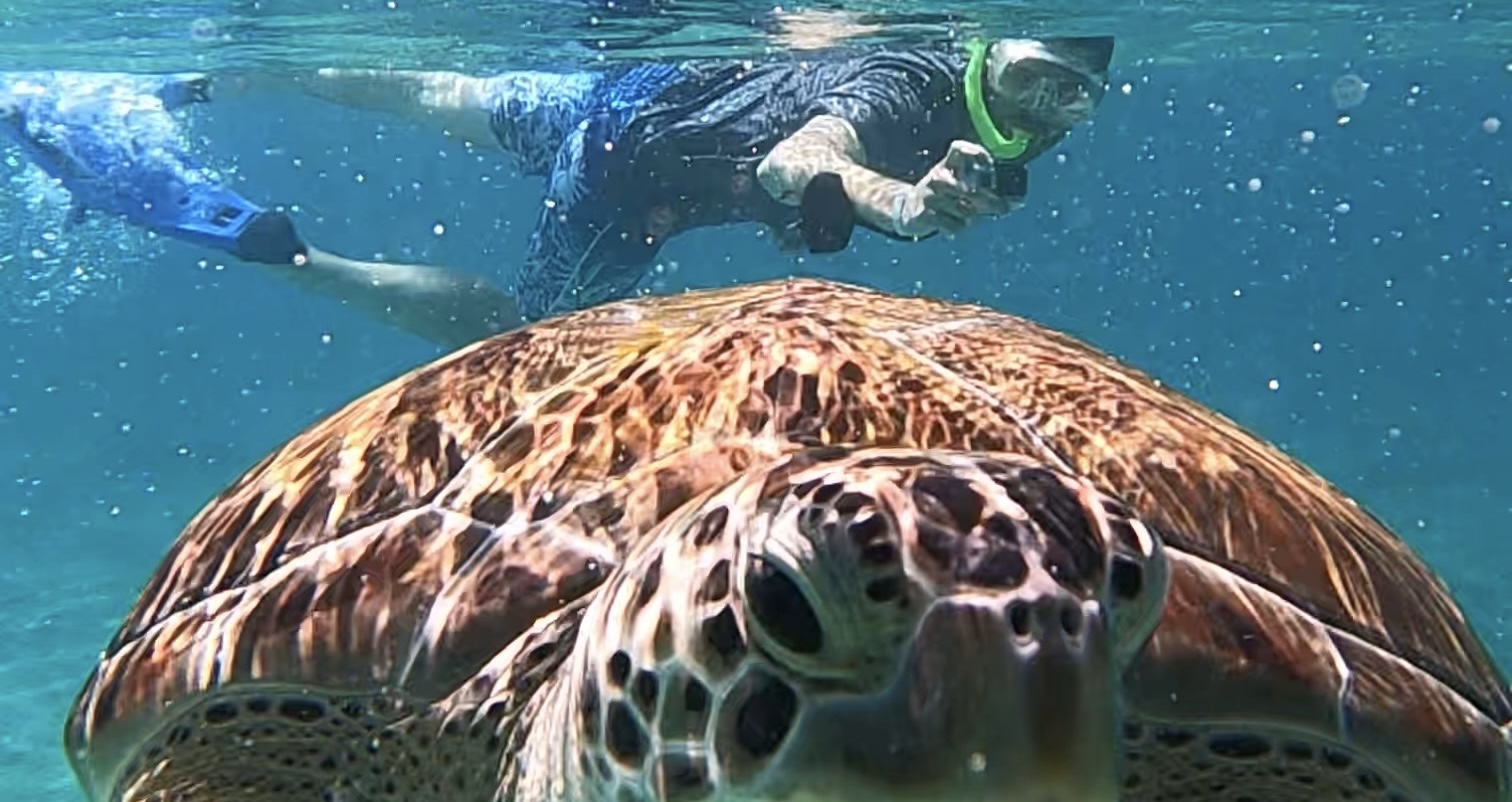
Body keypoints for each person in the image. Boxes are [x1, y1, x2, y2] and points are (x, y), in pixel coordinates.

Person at [1, 38, 1114, 349]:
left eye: (1075, 98)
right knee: (518, 336)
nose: (1050, 106)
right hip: (620, 176)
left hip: (630, 84)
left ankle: (223, 75)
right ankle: (287, 253)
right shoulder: (905, 81)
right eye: (1034, 76)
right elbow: (796, 162)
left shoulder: (975, 103)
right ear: (982, 48)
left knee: (443, 90)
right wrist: (900, 204)